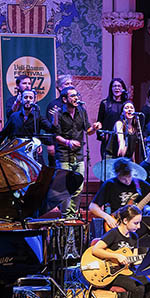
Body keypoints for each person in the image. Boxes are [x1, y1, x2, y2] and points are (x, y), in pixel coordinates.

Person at [89, 205, 150, 298]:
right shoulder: (113, 233)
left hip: (126, 271)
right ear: (125, 221)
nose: (138, 226)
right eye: (135, 223)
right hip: (111, 274)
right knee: (138, 287)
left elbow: (135, 260)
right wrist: (116, 256)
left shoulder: (134, 236)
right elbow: (95, 250)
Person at [53, 86, 100, 219]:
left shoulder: (81, 111)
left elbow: (88, 131)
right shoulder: (59, 113)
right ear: (64, 99)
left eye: (76, 95)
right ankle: (65, 216)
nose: (76, 98)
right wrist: (68, 142)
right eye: (72, 96)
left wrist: (95, 128)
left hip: (78, 154)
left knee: (78, 187)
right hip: (63, 155)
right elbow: (55, 136)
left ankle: (73, 215)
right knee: (65, 187)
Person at [88, 158, 150, 231]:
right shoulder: (110, 184)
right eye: (123, 178)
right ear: (117, 175)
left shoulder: (140, 184)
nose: (127, 181)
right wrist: (108, 217)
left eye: (129, 176)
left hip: (137, 225)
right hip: (118, 224)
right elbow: (92, 206)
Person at [97, 78, 127, 159]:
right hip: (108, 140)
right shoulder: (105, 103)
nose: (117, 88)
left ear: (123, 88)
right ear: (111, 88)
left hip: (121, 140)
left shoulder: (126, 105)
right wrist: (101, 135)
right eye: (114, 86)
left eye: (119, 86)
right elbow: (99, 121)